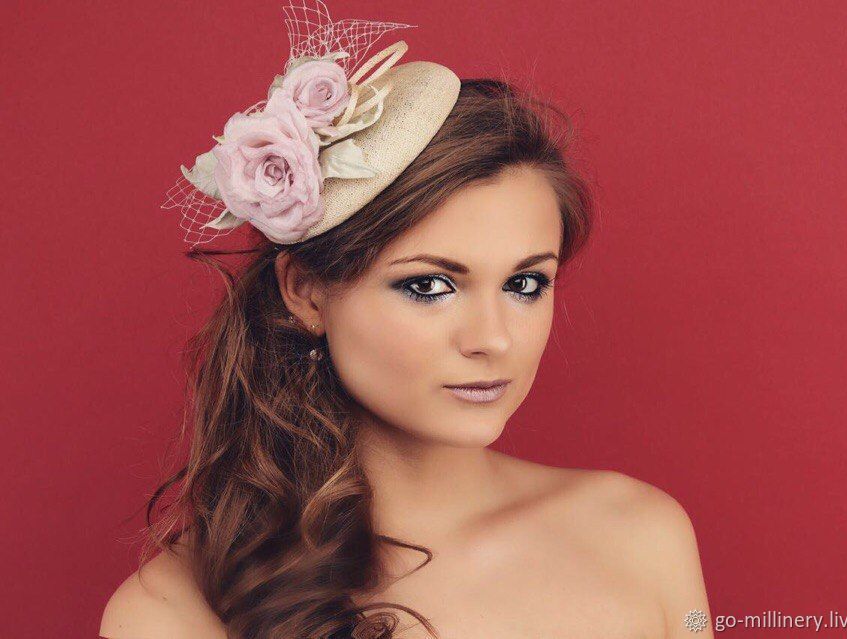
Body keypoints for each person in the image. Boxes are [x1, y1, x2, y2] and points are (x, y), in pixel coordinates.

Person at [100, 3, 713, 638]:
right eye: (428, 286)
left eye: (525, 284)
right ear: (306, 291)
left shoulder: (643, 536)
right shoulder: (173, 613)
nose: (493, 339)